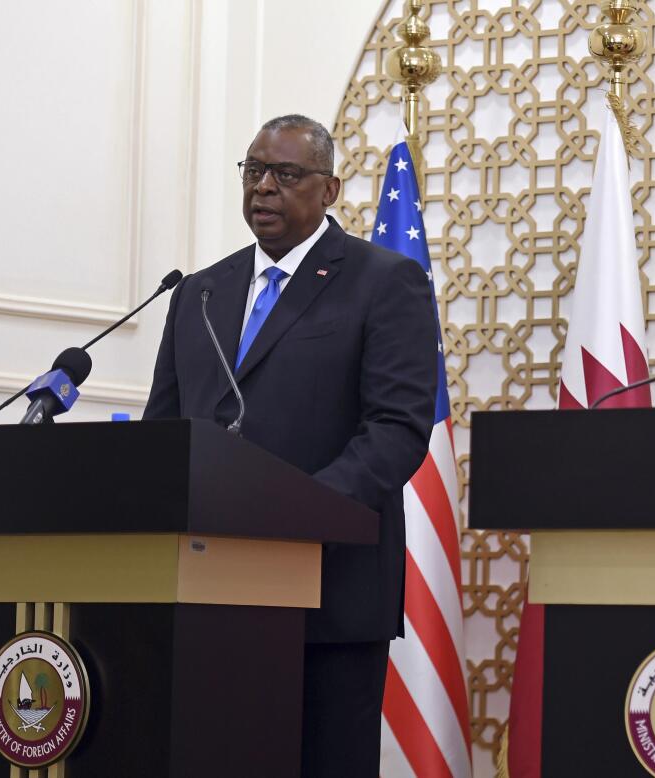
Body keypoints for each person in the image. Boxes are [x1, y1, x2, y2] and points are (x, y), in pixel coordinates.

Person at [143, 114, 438, 775]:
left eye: (286, 173)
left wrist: (297, 513)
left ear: (330, 190)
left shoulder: (383, 281)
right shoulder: (198, 293)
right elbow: (164, 431)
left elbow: (396, 429)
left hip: (327, 594)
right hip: (203, 593)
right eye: (253, 171)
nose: (264, 187)